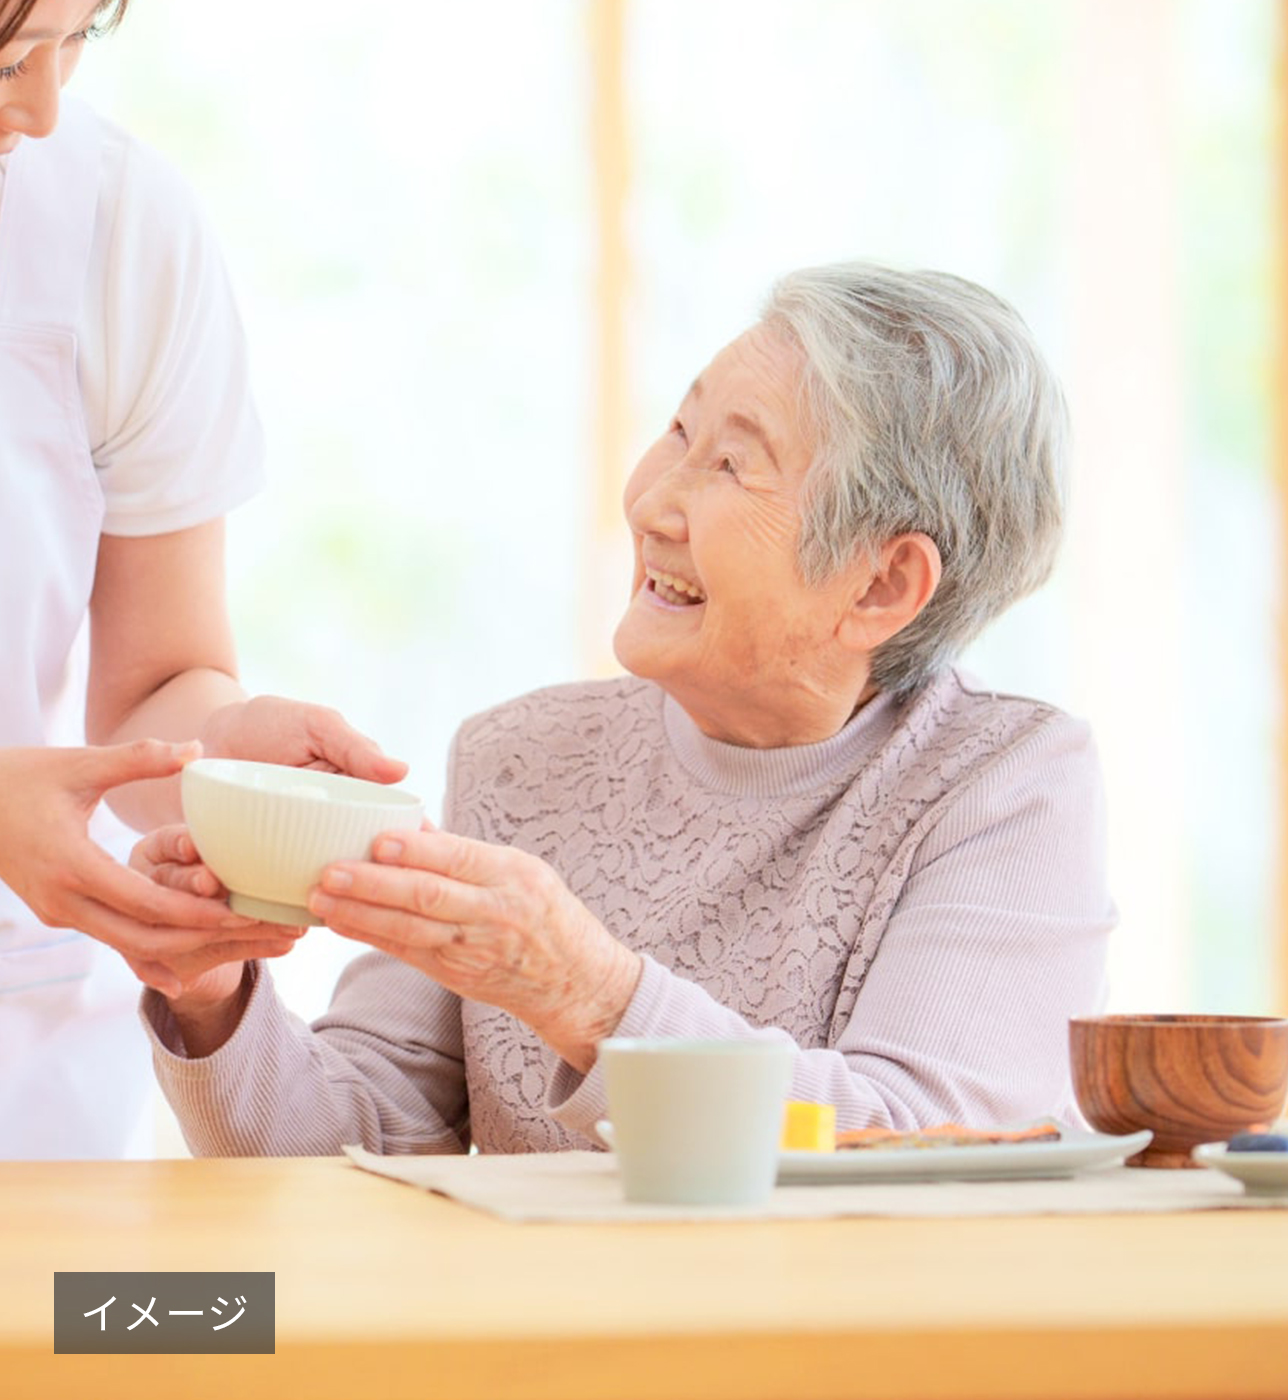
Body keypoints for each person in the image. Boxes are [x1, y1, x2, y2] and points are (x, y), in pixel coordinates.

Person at [138, 263, 1116, 1156]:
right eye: (681, 433)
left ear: (880, 585)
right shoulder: (520, 757)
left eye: (733, 465)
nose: (652, 502)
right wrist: (213, 991)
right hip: (542, 1347)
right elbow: (355, 1146)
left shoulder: (1001, 784)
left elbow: (920, 1141)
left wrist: (586, 992)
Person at [0, 0, 407, 1159]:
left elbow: (149, 694)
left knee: (121, 1339)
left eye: (78, 43)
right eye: (10, 54)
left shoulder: (116, 227)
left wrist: (221, 759)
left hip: (23, 1090)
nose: (41, 108)